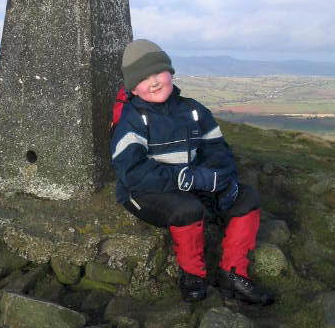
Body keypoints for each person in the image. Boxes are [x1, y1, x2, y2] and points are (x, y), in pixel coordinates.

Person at [110, 39, 273, 304]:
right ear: (134, 89)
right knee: (187, 208)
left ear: (170, 73)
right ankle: (192, 275)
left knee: (246, 197)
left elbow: (219, 151)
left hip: (192, 186)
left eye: (157, 72)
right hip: (143, 193)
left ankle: (232, 273)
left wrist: (216, 177)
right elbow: (132, 171)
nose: (153, 82)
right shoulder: (133, 119)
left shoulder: (194, 111)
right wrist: (185, 179)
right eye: (143, 78)